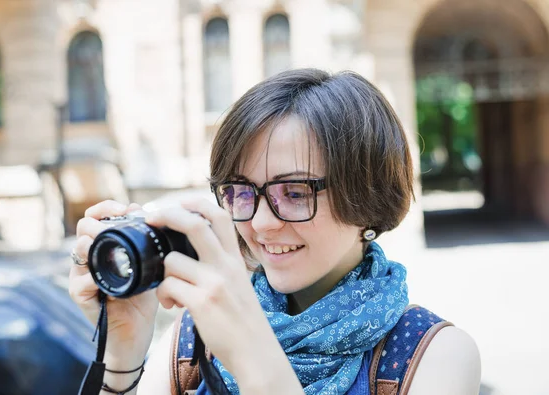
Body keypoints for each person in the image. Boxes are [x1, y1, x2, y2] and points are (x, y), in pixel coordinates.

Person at [69, 69, 481, 395]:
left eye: (297, 192)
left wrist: (251, 354)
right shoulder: (192, 342)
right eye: (240, 191)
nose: (262, 223)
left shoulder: (430, 357)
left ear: (367, 193)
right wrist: (124, 349)